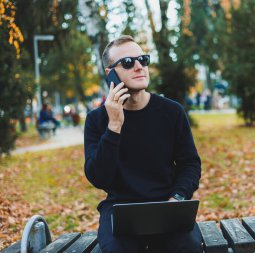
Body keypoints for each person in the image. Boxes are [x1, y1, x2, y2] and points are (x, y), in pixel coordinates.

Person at [84, 35, 202, 253]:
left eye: (143, 59)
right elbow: (98, 177)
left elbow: (190, 164)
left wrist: (177, 199)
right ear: (111, 75)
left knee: (188, 247)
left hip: (167, 206)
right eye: (128, 62)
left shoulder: (172, 112)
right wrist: (114, 126)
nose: (139, 66)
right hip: (120, 209)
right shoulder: (97, 120)